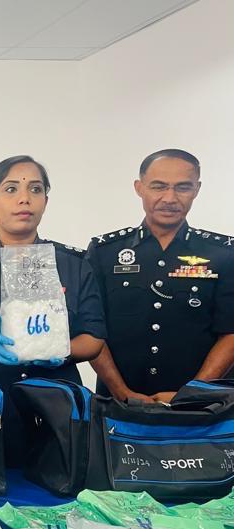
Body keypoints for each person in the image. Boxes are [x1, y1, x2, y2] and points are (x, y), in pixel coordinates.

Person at [0, 155, 106, 466]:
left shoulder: (74, 264)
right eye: (11, 189)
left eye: (35, 189)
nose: (24, 198)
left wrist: (61, 349)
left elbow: (94, 338)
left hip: (58, 415)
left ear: (45, 202)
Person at [86, 149, 234, 403]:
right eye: (159, 186)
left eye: (182, 187)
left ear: (197, 189)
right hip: (118, 405)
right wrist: (122, 393)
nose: (170, 198)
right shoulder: (105, 252)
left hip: (204, 408)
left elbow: (231, 333)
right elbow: (90, 330)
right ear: (139, 188)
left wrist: (191, 394)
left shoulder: (223, 253)